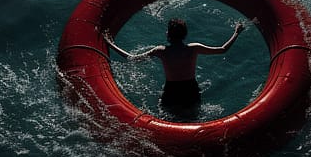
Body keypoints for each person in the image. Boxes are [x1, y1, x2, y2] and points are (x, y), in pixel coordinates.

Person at [105, 18, 246, 115]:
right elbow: (222, 49)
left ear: (168, 34)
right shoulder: (194, 48)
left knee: (165, 116)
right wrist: (236, 33)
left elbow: (131, 58)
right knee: (193, 119)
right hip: (191, 89)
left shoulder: (160, 51)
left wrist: (111, 44)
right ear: (185, 34)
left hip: (171, 91)